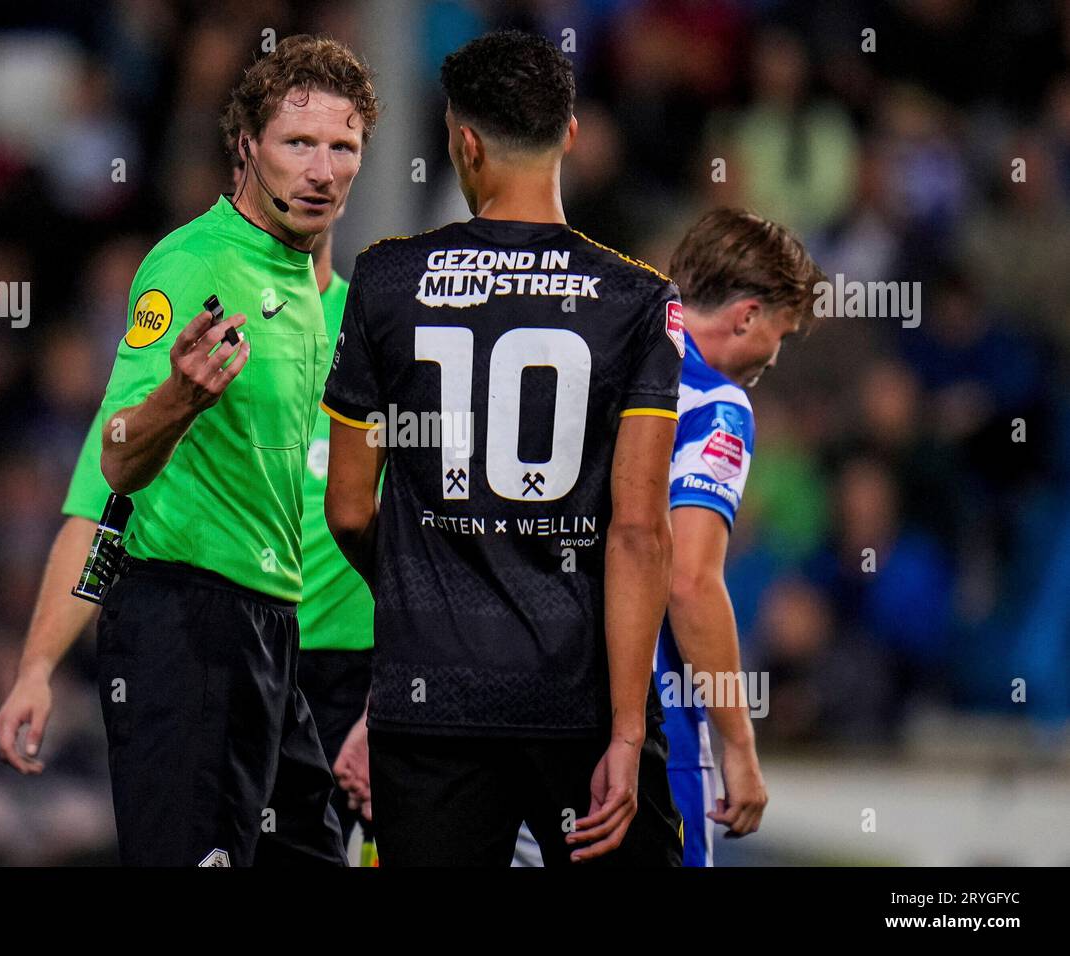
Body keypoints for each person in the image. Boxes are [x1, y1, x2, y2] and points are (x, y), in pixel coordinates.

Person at [322, 30, 682, 866]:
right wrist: (628, 732)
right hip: (581, 699)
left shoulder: (385, 280)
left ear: (463, 143)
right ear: (571, 136)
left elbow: (347, 509)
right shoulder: (635, 300)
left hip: (430, 700)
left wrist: (426, 585)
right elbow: (637, 533)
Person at [95, 34, 377, 866]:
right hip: (187, 619)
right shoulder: (191, 265)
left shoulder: (308, 284)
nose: (323, 170)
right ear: (247, 146)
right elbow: (116, 456)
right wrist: (177, 399)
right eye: (299, 144)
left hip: (269, 625)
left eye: (344, 147)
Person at [651, 208, 824, 865]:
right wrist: (739, 746)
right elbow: (690, 582)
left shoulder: (591, 350)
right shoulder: (713, 402)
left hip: (514, 707)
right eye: (780, 334)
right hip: (648, 723)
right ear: (747, 314)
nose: (774, 357)